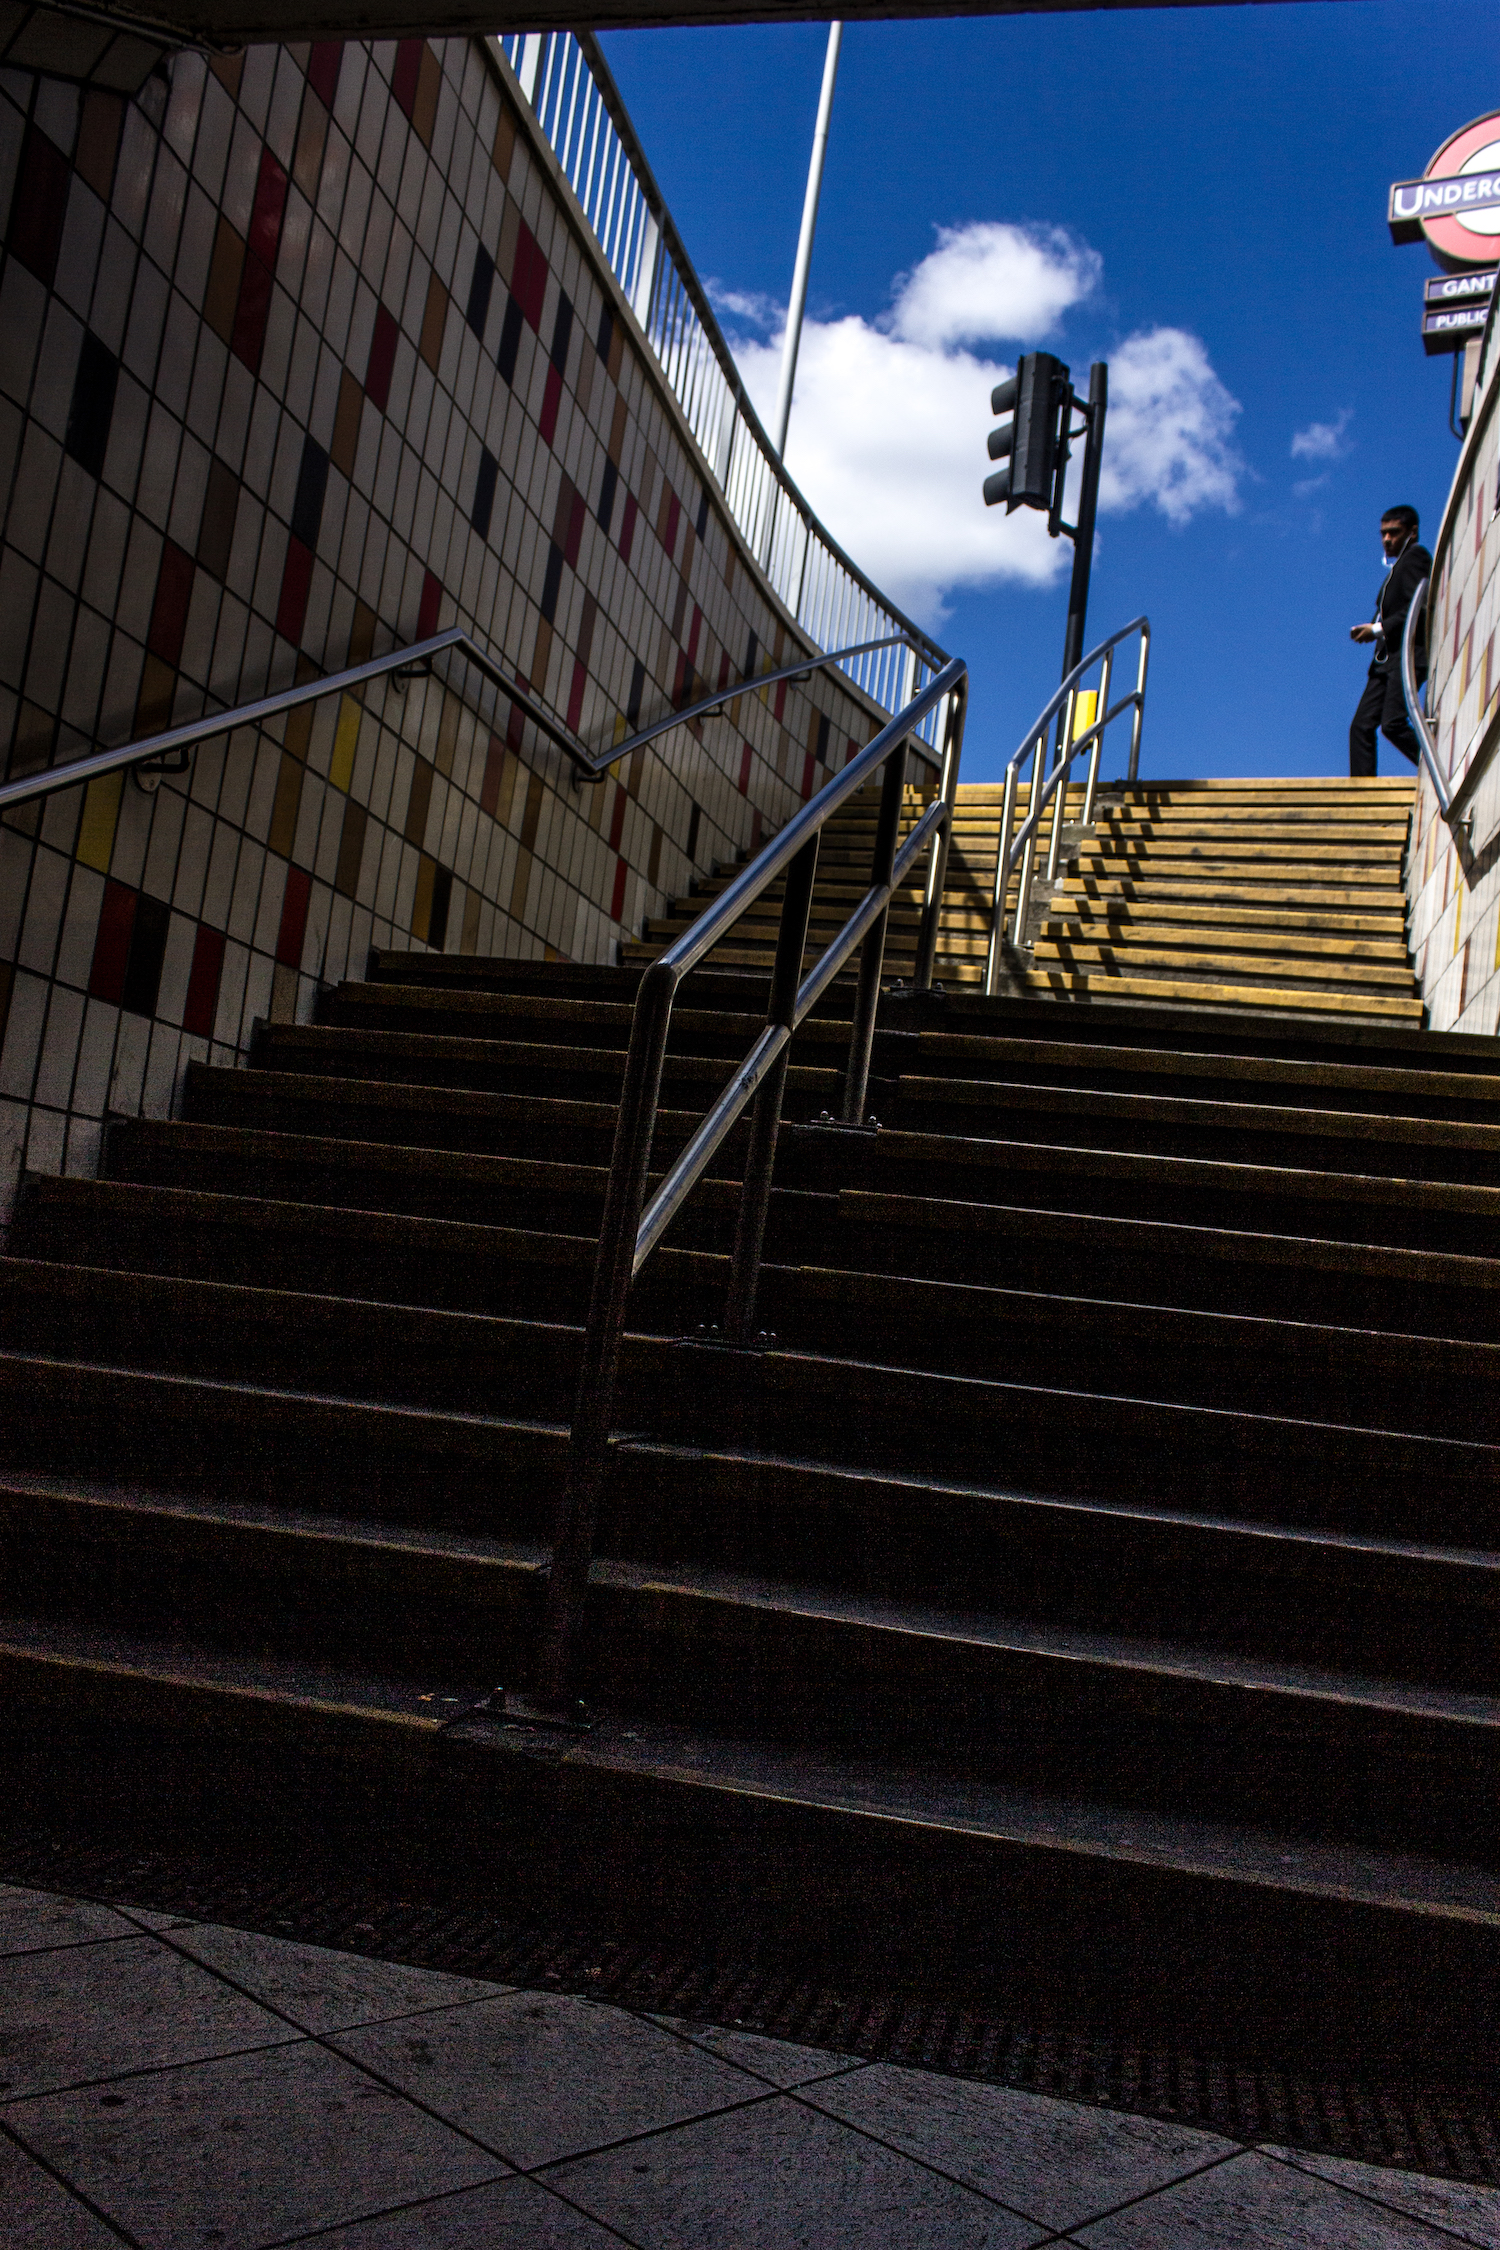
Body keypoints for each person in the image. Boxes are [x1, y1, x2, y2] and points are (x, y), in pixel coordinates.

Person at [1348, 505, 1430, 776]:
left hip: (1406, 657)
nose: (1386, 540)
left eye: (1393, 533)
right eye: (1383, 534)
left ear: (1412, 532)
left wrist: (1378, 630)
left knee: (1392, 723)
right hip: (1384, 663)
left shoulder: (1416, 557)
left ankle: (1435, 766)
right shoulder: (1393, 572)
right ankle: (1361, 795)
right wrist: (1370, 627)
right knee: (1360, 726)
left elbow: (1418, 607)